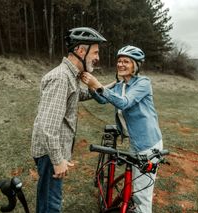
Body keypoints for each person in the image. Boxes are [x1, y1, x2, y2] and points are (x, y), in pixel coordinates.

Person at [30, 27, 106, 213]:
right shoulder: (62, 78)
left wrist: (103, 87)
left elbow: (78, 94)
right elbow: (47, 127)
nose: (98, 57)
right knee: (51, 204)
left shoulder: (70, 76)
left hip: (52, 152)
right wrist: (58, 160)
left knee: (48, 199)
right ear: (81, 50)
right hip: (50, 154)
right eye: (95, 52)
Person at [81, 45, 163, 213]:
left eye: (126, 61)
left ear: (136, 65)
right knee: (135, 184)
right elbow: (103, 100)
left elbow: (124, 102)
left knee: (142, 196)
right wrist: (91, 86)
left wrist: (98, 84)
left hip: (148, 144)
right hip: (136, 143)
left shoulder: (143, 83)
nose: (121, 64)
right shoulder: (120, 84)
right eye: (119, 61)